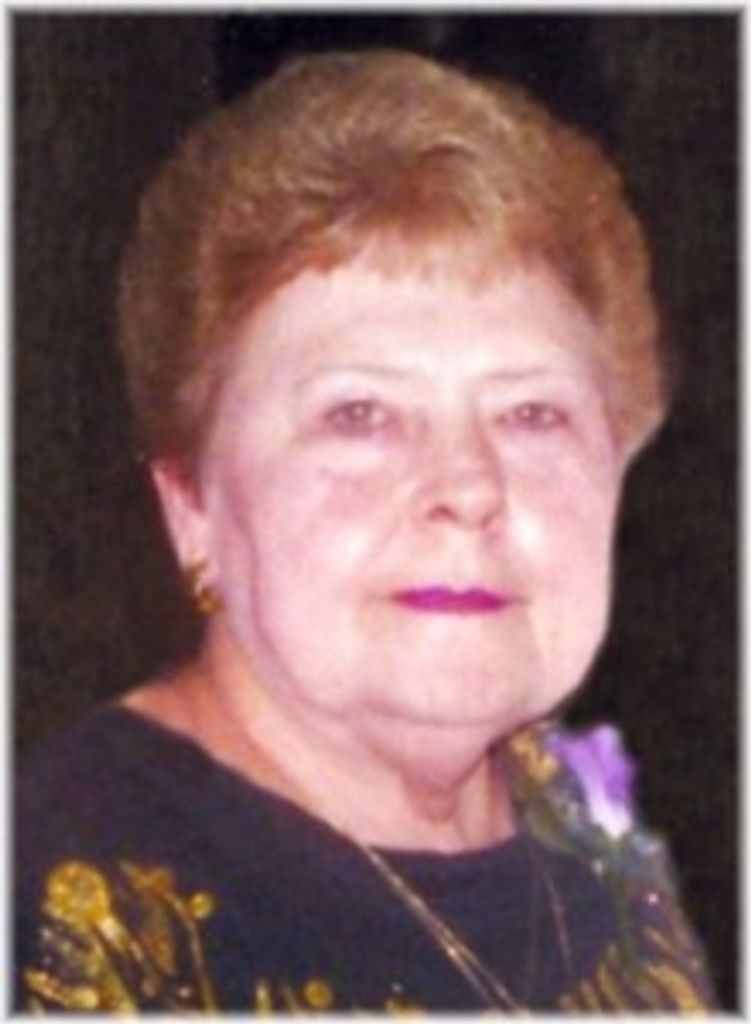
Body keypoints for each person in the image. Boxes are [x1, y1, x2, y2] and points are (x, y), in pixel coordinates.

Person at [15, 48, 716, 1013]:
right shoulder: (69, 909)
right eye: (359, 415)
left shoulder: (599, 825)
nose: (467, 486)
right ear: (192, 509)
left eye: (530, 413)